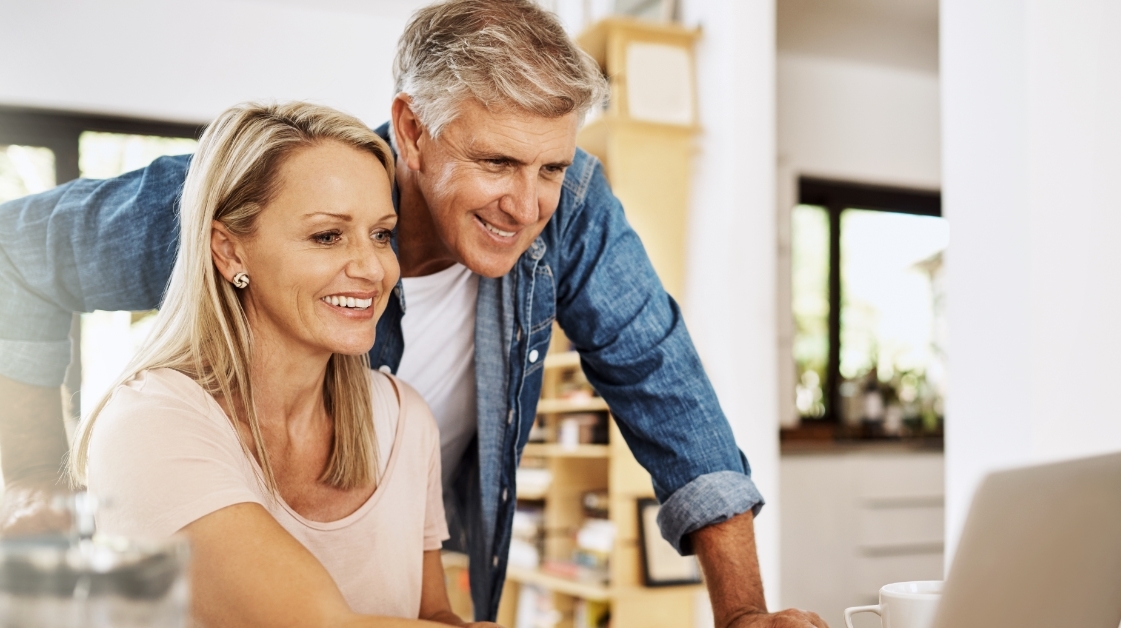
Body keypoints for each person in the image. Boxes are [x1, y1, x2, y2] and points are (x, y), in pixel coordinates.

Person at [0, 1, 828, 627]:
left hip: (421, 545)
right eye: (496, 161)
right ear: (413, 129)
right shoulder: (259, 193)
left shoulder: (556, 220)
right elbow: (15, 252)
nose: (529, 202)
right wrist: (34, 484)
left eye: (551, 165)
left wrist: (745, 612)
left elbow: (662, 377)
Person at [73, 100, 494, 627]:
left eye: (381, 234)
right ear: (229, 251)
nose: (372, 268)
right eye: (327, 235)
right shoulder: (148, 425)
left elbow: (433, 614)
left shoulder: (405, 421)